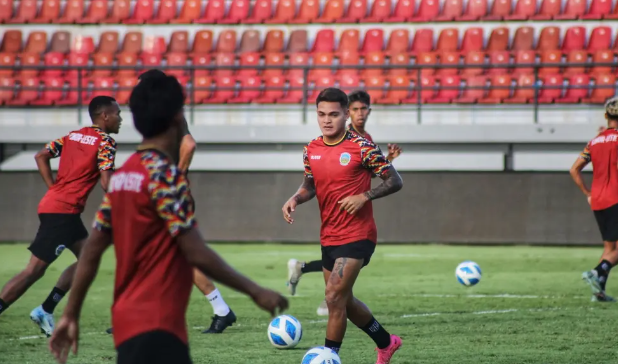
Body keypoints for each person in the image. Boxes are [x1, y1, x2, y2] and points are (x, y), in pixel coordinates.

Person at [49, 74, 288, 364]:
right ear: (178, 117)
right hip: (159, 326)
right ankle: (223, 311)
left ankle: (221, 311)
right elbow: (195, 251)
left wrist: (70, 313)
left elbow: (92, 250)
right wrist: (256, 291)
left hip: (127, 323)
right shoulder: (164, 176)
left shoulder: (124, 176)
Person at [106, 69, 236, 335]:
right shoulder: (165, 115)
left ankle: (220, 310)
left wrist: (178, 173)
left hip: (165, 194)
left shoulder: (165, 116)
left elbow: (189, 143)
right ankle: (220, 310)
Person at [282, 88, 403, 363]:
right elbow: (309, 186)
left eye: (334, 114)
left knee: (333, 297)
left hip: (358, 234)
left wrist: (365, 196)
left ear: (346, 114)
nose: (327, 120)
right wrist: (295, 198)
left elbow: (395, 180)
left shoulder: (362, 146)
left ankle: (328, 357)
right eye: (322, 114)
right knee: (344, 300)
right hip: (329, 235)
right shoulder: (311, 149)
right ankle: (387, 342)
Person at [0, 96, 121, 337]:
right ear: (105, 116)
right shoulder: (105, 142)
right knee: (33, 271)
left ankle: (46, 309)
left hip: (61, 208)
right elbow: (107, 184)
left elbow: (40, 156)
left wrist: (53, 188)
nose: (121, 119)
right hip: (62, 212)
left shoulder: (73, 136)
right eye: (118, 113)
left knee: (89, 259)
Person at [571, 97, 618, 302]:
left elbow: (574, 169)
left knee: (610, 249)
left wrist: (587, 193)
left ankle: (599, 293)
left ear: (606, 116)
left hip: (598, 199)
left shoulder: (595, 141)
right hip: (616, 196)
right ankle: (596, 271)